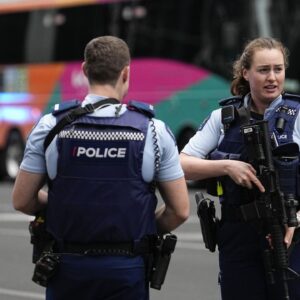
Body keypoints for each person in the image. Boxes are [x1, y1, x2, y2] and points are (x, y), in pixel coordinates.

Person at [12, 35, 190, 300]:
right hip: (127, 268)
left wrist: (69, 204)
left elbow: (22, 200)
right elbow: (180, 211)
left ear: (84, 70)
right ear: (126, 73)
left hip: (66, 266)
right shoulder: (154, 131)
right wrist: (138, 226)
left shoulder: (51, 126)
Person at [180, 37, 300, 300]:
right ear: (245, 73)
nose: (272, 78)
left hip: (290, 236)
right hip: (238, 239)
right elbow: (182, 164)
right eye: (263, 70)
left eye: (278, 69)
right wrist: (226, 166)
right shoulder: (223, 119)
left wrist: (296, 219)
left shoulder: (298, 114)